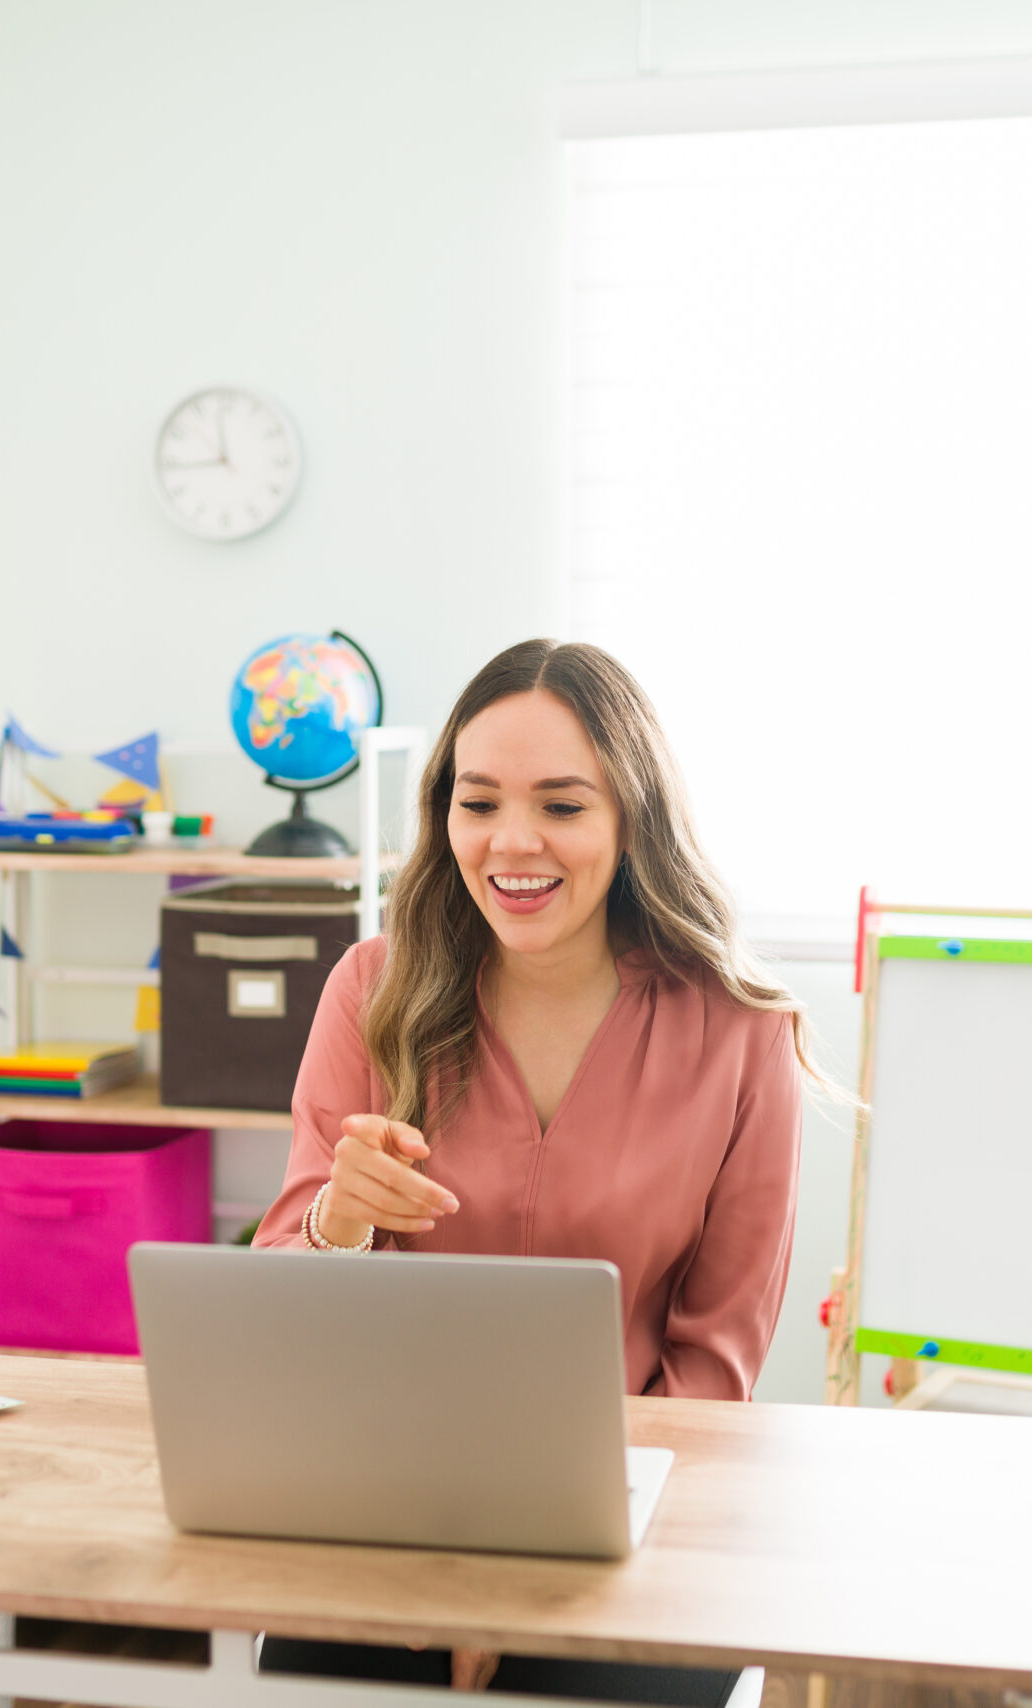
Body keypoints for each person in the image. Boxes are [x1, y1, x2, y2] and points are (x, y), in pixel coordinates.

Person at [249, 638, 823, 1700]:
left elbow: (713, 1369)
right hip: (387, 1509)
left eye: (562, 805)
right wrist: (338, 1218)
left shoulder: (742, 1033)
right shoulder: (369, 990)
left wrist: (524, 1583)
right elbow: (283, 1309)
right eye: (478, 803)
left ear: (631, 817)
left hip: (631, 1519)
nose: (512, 842)